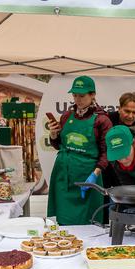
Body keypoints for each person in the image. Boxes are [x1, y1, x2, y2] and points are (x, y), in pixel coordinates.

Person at [47, 76, 112, 226]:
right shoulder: (66, 116)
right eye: (75, 95)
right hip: (63, 176)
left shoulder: (102, 120)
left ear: (92, 95)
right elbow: (59, 145)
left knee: (88, 222)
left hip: (87, 177)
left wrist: (95, 175)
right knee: (63, 221)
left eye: (82, 96)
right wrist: (53, 135)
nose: (78, 99)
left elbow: (106, 153)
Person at [103, 92, 135, 189]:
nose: (130, 116)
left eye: (134, 112)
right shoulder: (107, 120)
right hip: (106, 171)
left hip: (128, 176)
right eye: (127, 111)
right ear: (119, 109)